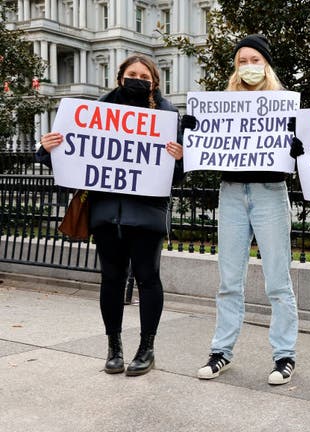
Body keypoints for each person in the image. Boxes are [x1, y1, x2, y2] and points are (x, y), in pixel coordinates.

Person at [36, 54, 186, 376]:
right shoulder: (93, 115)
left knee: (148, 279)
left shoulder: (167, 117)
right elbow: (72, 162)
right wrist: (46, 149)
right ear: (120, 78)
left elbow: (176, 178)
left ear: (154, 82)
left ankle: (146, 348)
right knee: (111, 280)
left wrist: (178, 159)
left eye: (144, 75)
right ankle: (114, 347)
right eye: (131, 73)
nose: (137, 78)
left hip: (146, 216)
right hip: (107, 215)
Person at [196, 34, 299, 386]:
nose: (249, 67)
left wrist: (297, 143)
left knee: (278, 281)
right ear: (235, 68)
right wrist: (194, 135)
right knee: (228, 280)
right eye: (243, 61)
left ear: (266, 65)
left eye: (256, 60)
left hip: (270, 193)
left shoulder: (285, 105)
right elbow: (205, 146)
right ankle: (221, 351)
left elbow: (302, 153)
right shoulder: (222, 105)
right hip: (232, 193)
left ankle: (284, 356)